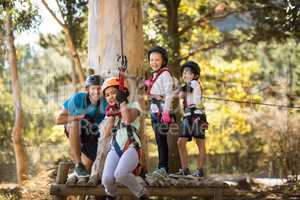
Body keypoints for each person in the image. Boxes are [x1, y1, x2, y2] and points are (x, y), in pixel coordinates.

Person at [101, 77, 149, 200]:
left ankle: (142, 194)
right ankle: (112, 196)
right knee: (107, 179)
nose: (110, 96)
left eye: (113, 93)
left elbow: (127, 120)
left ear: (122, 93)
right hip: (115, 148)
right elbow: (106, 135)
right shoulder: (109, 113)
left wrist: (122, 103)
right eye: (107, 95)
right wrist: (111, 116)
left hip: (132, 146)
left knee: (120, 174)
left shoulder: (134, 106)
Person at [56, 74, 107, 178]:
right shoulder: (77, 98)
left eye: (99, 88)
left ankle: (82, 177)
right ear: (88, 89)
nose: (96, 92)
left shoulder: (106, 103)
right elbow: (59, 119)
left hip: (93, 136)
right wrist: (79, 117)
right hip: (75, 130)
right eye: (93, 88)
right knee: (75, 124)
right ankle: (78, 164)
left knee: (87, 170)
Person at [144, 46, 175, 178]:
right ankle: (161, 167)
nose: (154, 62)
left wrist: (166, 112)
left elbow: (169, 93)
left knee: (161, 140)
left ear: (163, 61)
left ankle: (163, 168)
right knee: (159, 140)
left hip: (162, 113)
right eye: (151, 60)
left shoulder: (165, 74)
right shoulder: (155, 75)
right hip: (155, 112)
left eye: (157, 60)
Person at [175, 61, 208, 177]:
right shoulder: (188, 85)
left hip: (197, 115)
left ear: (195, 75)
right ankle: (185, 170)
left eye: (187, 73)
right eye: (183, 73)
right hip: (188, 114)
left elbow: (181, 94)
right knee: (181, 142)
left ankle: (200, 170)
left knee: (199, 142)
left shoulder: (194, 83)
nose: (184, 75)